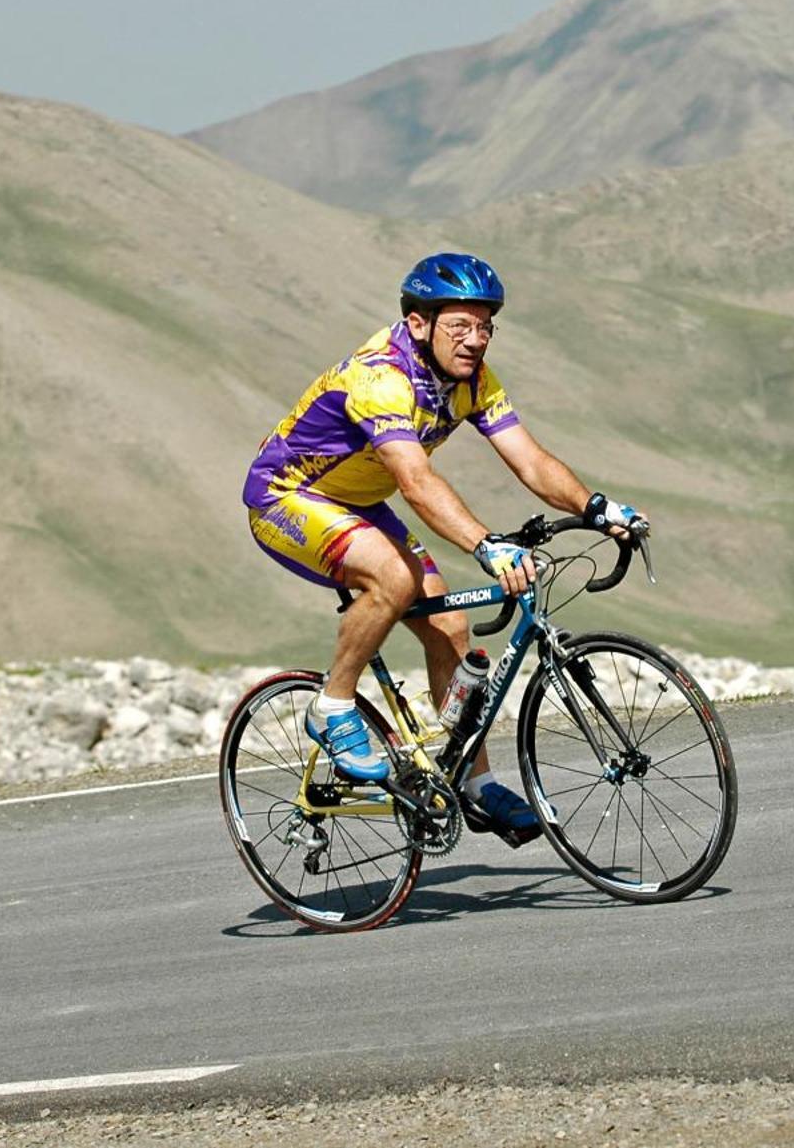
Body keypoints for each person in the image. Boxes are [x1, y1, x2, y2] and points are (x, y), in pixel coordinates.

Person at [242, 252, 644, 840]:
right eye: (460, 326)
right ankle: (332, 707)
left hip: (356, 504)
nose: (476, 340)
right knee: (393, 580)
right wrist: (487, 546)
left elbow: (529, 459)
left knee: (452, 628)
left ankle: (473, 784)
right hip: (286, 496)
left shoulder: (475, 381)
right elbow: (416, 482)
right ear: (418, 324)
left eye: (485, 326)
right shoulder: (380, 377)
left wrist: (596, 507)